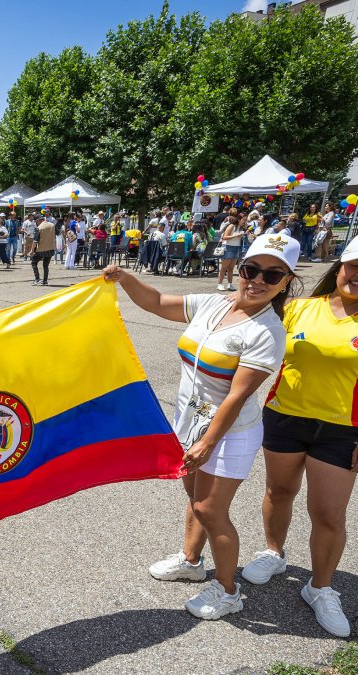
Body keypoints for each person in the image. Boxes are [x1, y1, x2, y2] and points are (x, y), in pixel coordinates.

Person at [105, 233, 293, 620]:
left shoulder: (267, 331)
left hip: (229, 432)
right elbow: (156, 303)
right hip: (191, 419)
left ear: (286, 282)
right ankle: (192, 562)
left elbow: (236, 396)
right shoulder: (214, 303)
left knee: (210, 509)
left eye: (272, 276)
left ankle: (227, 591)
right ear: (240, 268)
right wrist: (125, 278)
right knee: (194, 496)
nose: (258, 280)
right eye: (251, 269)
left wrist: (208, 441)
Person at [243, 228, 358, 638]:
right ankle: (273, 553)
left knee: (328, 514)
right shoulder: (298, 308)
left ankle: (320, 588)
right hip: (284, 418)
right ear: (340, 265)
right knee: (278, 492)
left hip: (343, 430)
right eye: (356, 264)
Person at [217, 213, 246, 291]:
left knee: (231, 268)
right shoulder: (231, 226)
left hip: (237, 247)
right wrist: (236, 235)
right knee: (224, 267)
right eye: (244, 220)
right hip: (228, 247)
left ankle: (230, 284)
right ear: (239, 220)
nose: (245, 222)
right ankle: (220, 284)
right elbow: (225, 237)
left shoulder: (241, 228)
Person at [30, 213, 54, 286]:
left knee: (33, 262)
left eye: (36, 221)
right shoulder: (52, 225)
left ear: (38, 220)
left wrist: (31, 250)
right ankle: (45, 281)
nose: (36, 223)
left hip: (41, 249)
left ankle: (37, 279)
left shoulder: (39, 228)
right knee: (45, 265)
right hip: (50, 248)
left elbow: (35, 241)